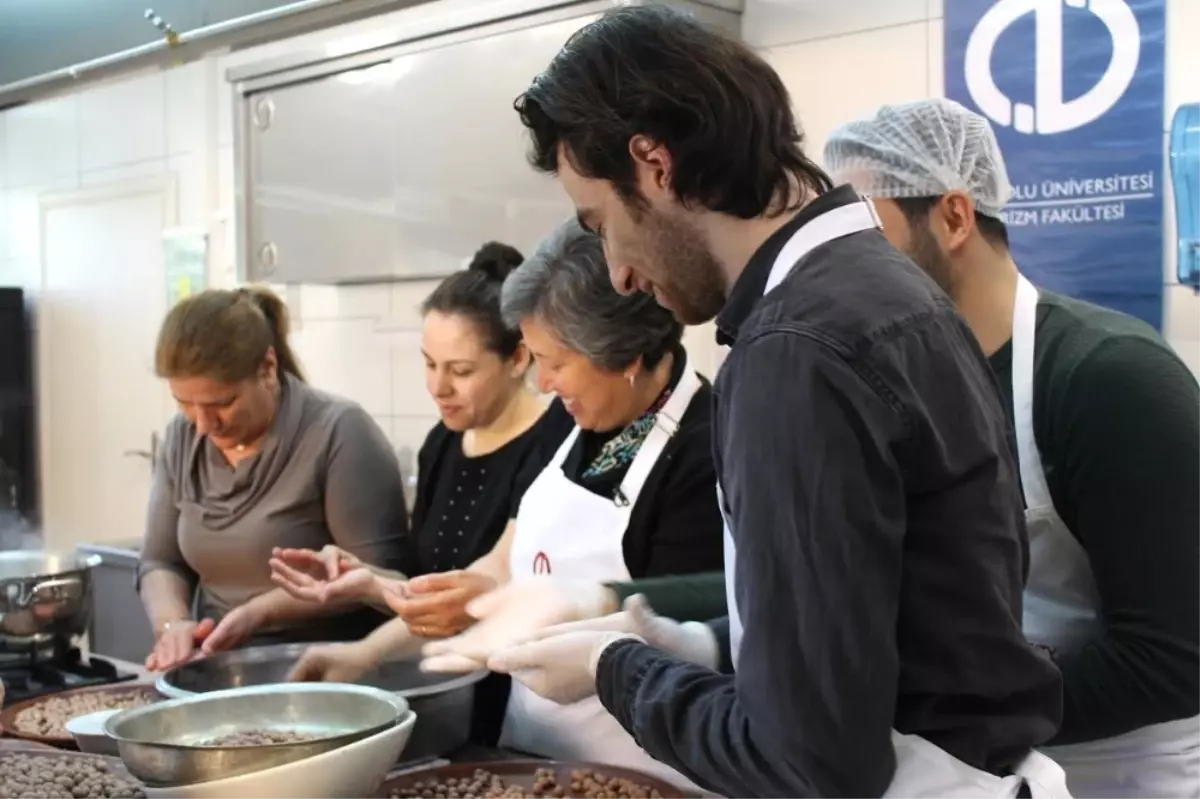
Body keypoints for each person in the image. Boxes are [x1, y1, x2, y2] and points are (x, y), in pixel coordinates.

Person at [479, 7, 1071, 799]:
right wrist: (689, 639)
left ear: (654, 163)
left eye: (603, 222)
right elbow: (884, 613)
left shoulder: (795, 349)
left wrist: (611, 667)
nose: (617, 270)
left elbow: (813, 761)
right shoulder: (886, 289)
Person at [822, 98, 1200, 797]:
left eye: (865, 237)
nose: (846, 274)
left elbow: (1174, 657)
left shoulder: (1107, 377)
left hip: (1117, 774)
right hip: (972, 771)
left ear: (955, 216)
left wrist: (937, 714)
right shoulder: (895, 389)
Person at [287, 219, 724, 787]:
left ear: (627, 356)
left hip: (641, 773)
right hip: (533, 758)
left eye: (556, 362)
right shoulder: (580, 427)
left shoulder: (702, 454)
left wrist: (585, 628)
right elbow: (500, 565)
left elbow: (697, 631)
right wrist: (379, 645)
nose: (542, 382)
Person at [271, 242, 564, 639]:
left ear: (518, 359)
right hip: (442, 674)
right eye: (429, 363)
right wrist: (362, 575)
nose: (438, 387)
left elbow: (486, 584)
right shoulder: (442, 442)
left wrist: (364, 651)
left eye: (460, 370)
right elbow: (422, 583)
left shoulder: (552, 443)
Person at [138, 287, 407, 672]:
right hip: (222, 672)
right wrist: (173, 624)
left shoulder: (338, 432)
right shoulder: (182, 438)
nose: (202, 424)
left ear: (267, 368)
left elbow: (378, 580)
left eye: (222, 404)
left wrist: (257, 613)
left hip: (324, 675)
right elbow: (160, 560)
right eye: (184, 403)